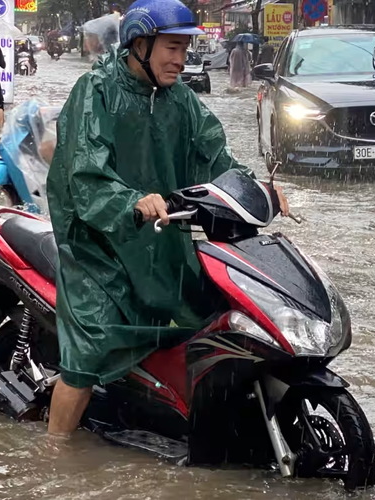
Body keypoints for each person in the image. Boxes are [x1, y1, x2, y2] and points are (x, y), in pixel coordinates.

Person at [44, 0, 289, 437]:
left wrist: (255, 190)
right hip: (97, 246)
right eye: (172, 48)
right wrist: (130, 202)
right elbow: (85, 174)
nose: (181, 59)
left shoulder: (181, 100)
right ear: (140, 44)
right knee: (88, 352)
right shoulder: (95, 91)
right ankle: (55, 454)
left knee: (212, 315)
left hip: (162, 238)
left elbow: (216, 155)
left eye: (184, 49)